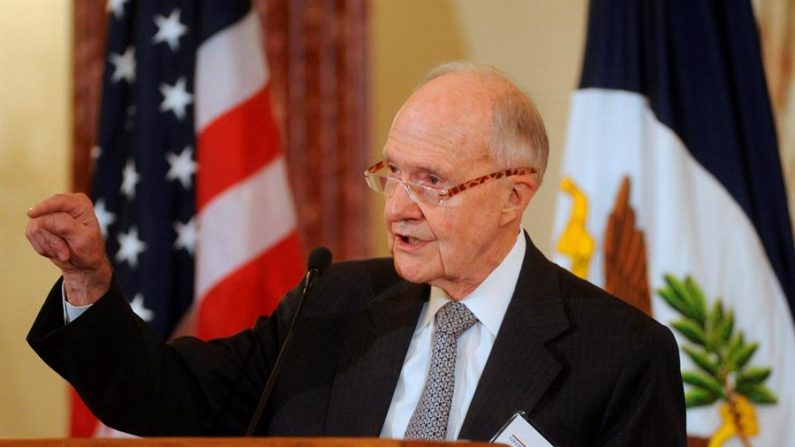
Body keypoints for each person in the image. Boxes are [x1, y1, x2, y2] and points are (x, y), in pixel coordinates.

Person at [25, 62, 686, 445]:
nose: (397, 205)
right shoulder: (330, 304)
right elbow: (162, 396)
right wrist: (88, 282)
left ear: (514, 195)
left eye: (430, 181)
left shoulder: (620, 354)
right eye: (390, 173)